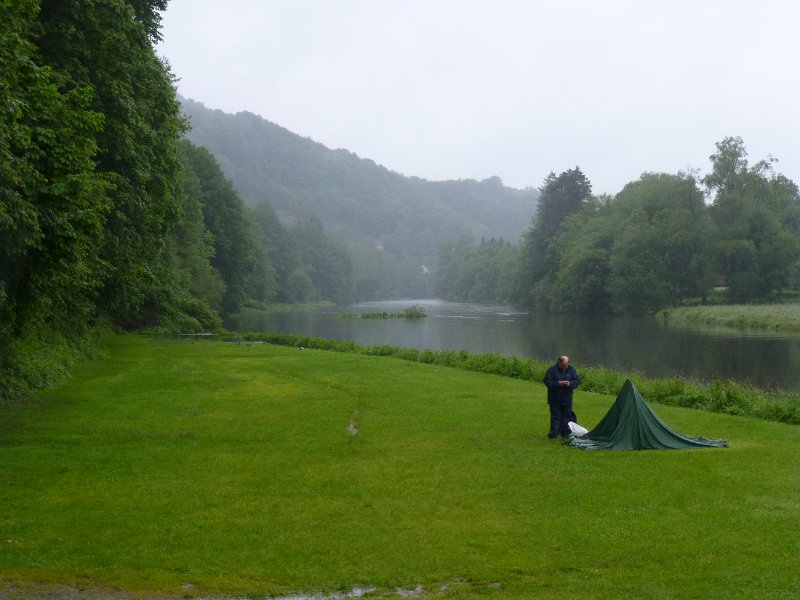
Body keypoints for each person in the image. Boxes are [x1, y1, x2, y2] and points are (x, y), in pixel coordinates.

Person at [543, 355, 580, 439]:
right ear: (559, 362)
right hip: (554, 398)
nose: (565, 367)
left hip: (567, 399)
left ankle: (565, 434)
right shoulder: (551, 370)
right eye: (563, 366)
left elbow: (576, 381)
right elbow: (547, 382)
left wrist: (570, 384)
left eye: (566, 365)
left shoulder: (572, 370)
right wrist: (558, 383)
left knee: (566, 417)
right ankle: (553, 434)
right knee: (555, 417)